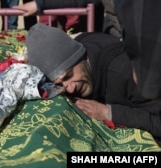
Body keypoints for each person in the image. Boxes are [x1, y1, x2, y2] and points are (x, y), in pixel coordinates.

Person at [25, 23, 161, 146]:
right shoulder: (80, 43)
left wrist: (109, 113)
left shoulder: (125, 72)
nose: (70, 89)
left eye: (69, 75)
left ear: (81, 56)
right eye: (60, 84)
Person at [14, 0, 161, 100]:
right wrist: (41, 4)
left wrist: (147, 83)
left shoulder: (121, 71)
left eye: (69, 75)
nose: (69, 88)